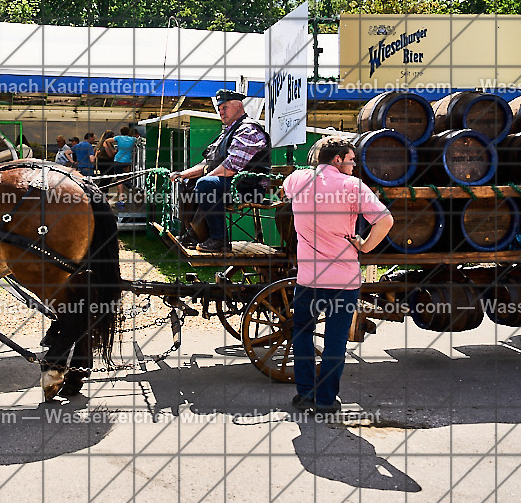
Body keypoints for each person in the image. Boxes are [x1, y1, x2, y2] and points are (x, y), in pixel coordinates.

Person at [282, 137, 394, 415]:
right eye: (351, 160)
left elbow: (285, 190)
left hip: (308, 279)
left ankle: (305, 394)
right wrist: (365, 246)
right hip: (342, 280)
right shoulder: (353, 186)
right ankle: (325, 400)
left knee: (302, 334)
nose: (354, 166)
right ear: (337, 159)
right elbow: (385, 220)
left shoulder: (298, 180)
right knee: (335, 341)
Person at [169, 89, 271, 253]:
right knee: (189, 183)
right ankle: (194, 234)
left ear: (239, 106)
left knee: (205, 184)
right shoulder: (228, 131)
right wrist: (183, 174)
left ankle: (219, 239)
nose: (221, 112)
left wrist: (204, 179)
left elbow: (231, 167)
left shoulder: (248, 130)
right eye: (219, 108)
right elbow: (208, 163)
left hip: (249, 188)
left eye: (225, 107)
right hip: (231, 184)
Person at [112, 126, 138, 209]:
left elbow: (107, 141)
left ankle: (121, 198)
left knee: (119, 180)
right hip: (128, 161)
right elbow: (140, 140)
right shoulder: (132, 139)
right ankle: (128, 187)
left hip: (118, 160)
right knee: (126, 178)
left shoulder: (118, 138)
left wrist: (112, 149)